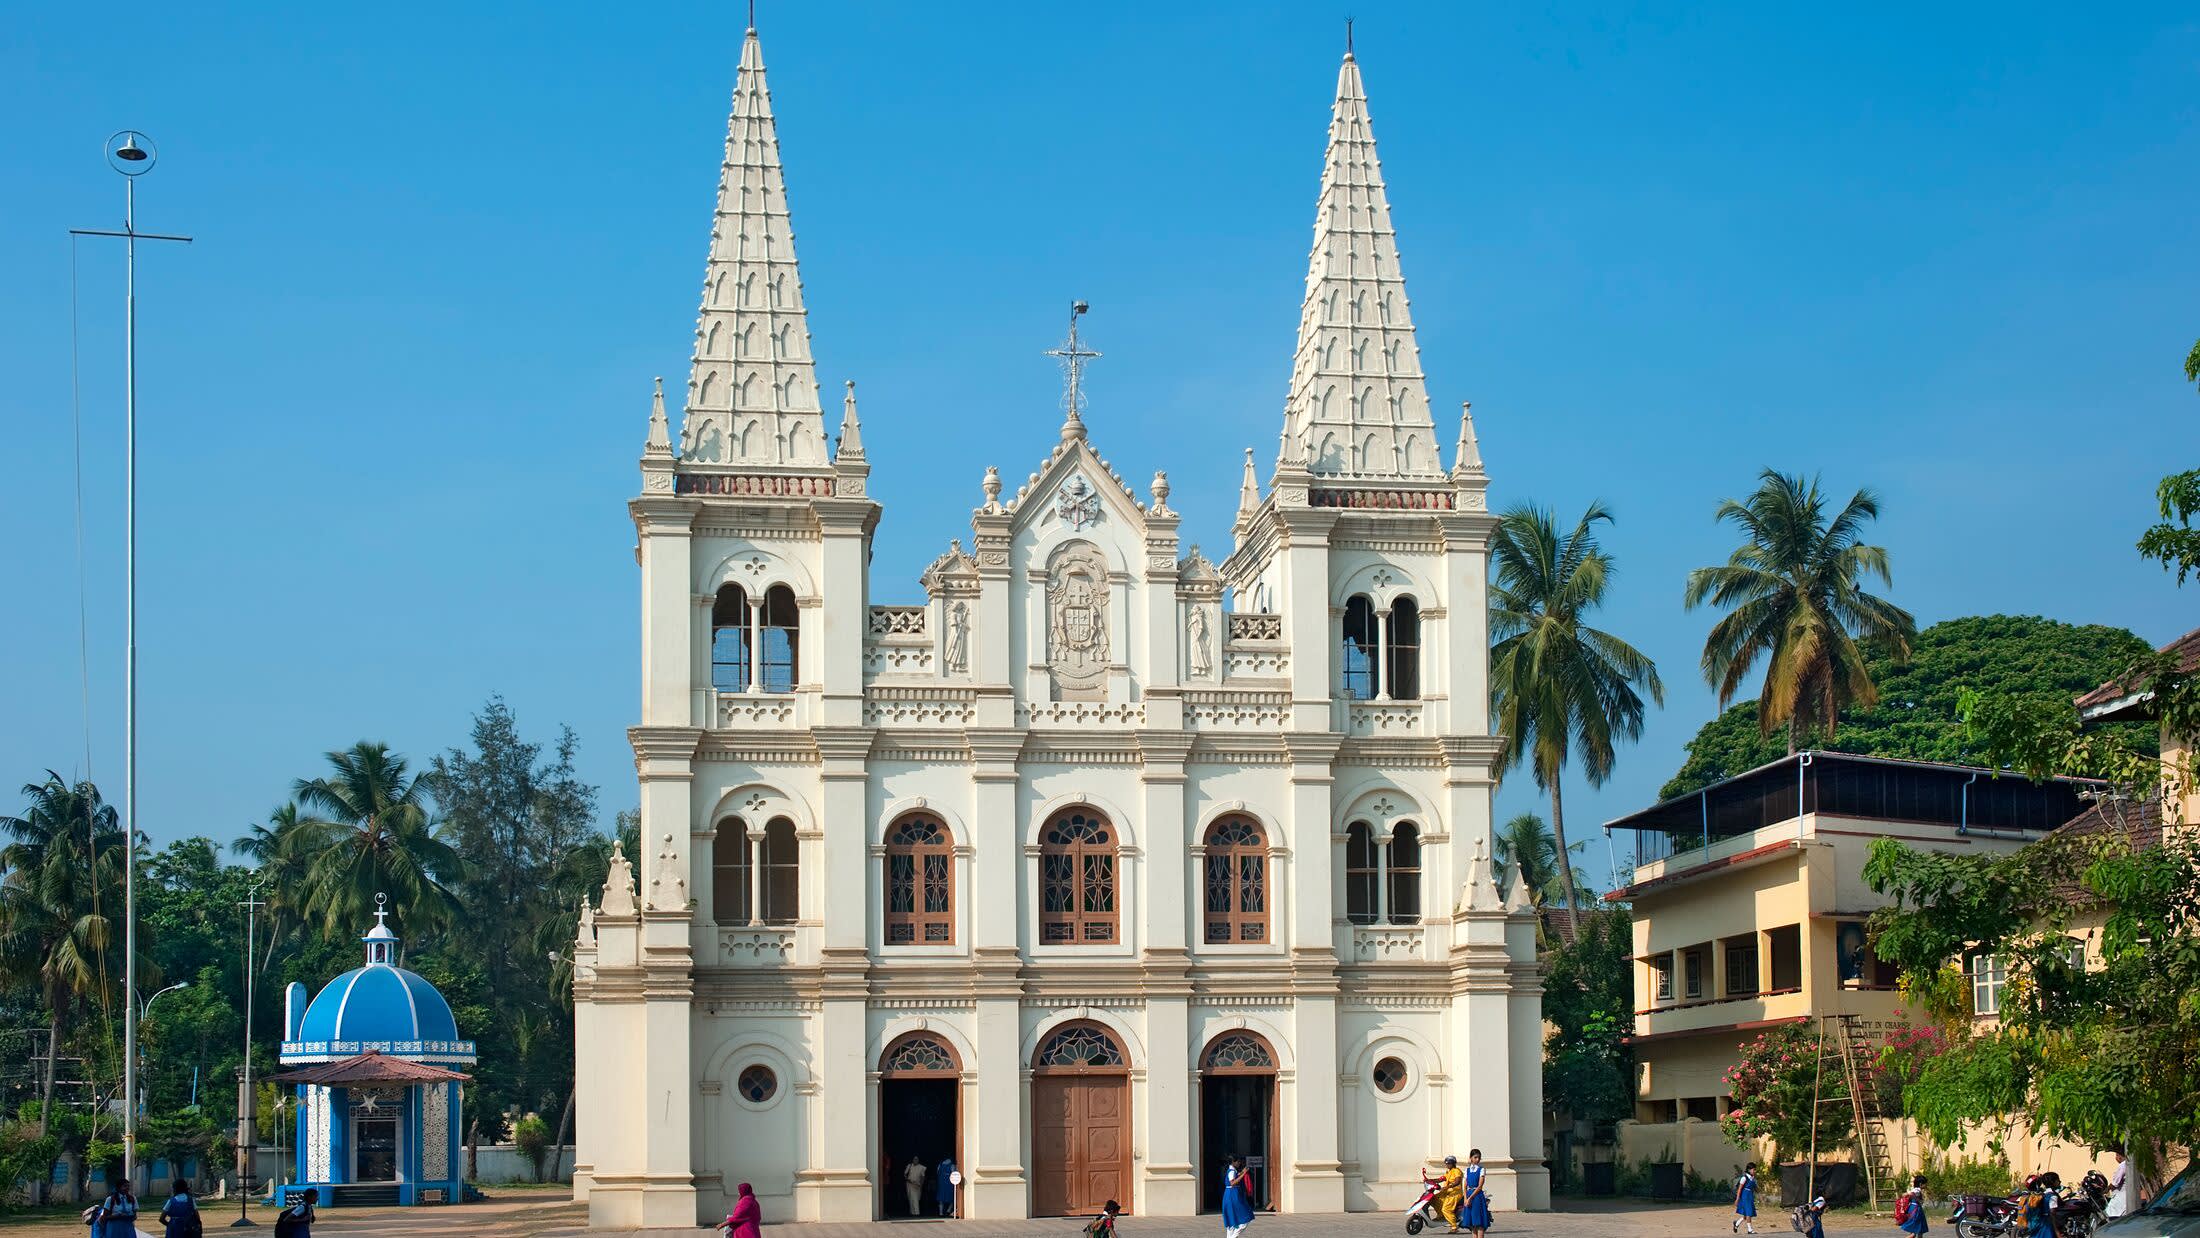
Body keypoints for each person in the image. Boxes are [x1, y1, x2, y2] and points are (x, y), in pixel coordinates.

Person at [1221, 1153, 1257, 1238]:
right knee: (1246, 1217)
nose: (1239, 1163)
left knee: (1232, 1220)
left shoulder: (1232, 1170)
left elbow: (1234, 1178)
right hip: (1233, 1196)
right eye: (1238, 1161)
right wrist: (1243, 1174)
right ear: (1233, 1162)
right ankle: (1234, 1236)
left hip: (1230, 1195)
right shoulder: (1232, 1171)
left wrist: (1241, 1173)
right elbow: (1232, 1182)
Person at [1459, 1149, 1492, 1238]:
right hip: (1469, 1195)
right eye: (1475, 1157)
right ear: (1471, 1158)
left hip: (1477, 1197)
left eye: (1479, 1157)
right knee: (1472, 1223)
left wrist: (1470, 1198)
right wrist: (1465, 1198)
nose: (1477, 1159)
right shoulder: (1467, 1170)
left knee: (1479, 1222)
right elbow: (1464, 1186)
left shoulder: (1481, 1170)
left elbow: (1480, 1186)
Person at [1432, 1154, 1465, 1234]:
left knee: (1446, 1209)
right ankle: (1441, 1215)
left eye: (1449, 1163)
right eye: (1446, 1163)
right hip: (1447, 1192)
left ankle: (1454, 1227)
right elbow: (1441, 1179)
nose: (1447, 1165)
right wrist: (1430, 1180)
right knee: (1433, 1198)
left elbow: (1457, 1181)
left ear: (1453, 1163)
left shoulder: (1457, 1171)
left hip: (1455, 1193)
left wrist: (1449, 1186)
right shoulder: (1449, 1172)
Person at [2107, 1152, 2135, 1219]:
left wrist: (2105, 1189)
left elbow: (2115, 1183)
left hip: (2120, 1197)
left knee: (2112, 1216)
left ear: (2120, 1156)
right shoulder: (2130, 1164)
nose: (2116, 1158)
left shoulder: (2123, 1165)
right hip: (2128, 1195)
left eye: (2116, 1155)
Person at [1734, 1162, 1760, 1234]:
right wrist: (1737, 1198)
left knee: (1746, 1214)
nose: (1755, 1171)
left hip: (1750, 1196)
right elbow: (1740, 1189)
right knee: (1749, 1213)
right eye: (1753, 1169)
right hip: (1745, 1196)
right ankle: (1750, 1229)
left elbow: (1755, 1188)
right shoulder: (1744, 1178)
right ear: (1749, 1170)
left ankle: (1736, 1223)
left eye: (1755, 1170)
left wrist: (1760, 1195)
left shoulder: (1753, 1178)